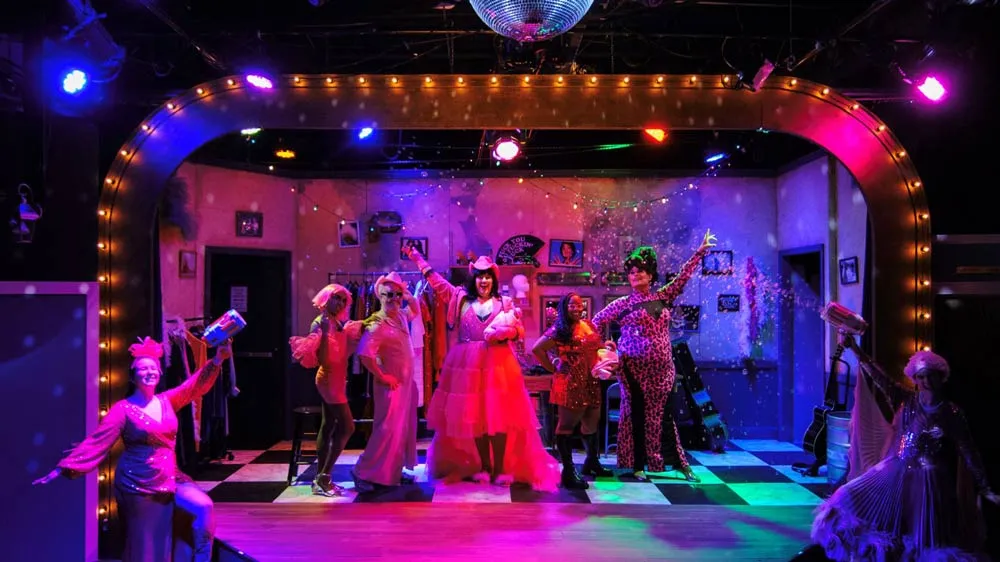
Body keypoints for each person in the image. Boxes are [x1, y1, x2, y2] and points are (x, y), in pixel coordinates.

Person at [33, 336, 231, 562]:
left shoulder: (167, 401)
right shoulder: (123, 409)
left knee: (203, 507)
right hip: (137, 483)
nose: (149, 372)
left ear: (160, 372)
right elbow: (98, 441)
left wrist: (218, 359)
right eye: (143, 368)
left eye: (153, 368)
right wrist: (62, 469)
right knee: (146, 547)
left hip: (170, 477)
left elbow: (193, 387)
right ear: (132, 376)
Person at [809, 335, 999, 561]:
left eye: (930, 375)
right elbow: (880, 377)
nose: (926, 381)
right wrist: (856, 350)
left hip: (929, 480)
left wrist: (985, 486)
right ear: (915, 379)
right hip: (896, 469)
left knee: (923, 536)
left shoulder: (952, 413)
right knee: (845, 496)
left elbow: (968, 450)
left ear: (940, 377)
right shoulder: (906, 400)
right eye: (921, 376)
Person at [405, 246, 559, 490]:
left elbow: (518, 331)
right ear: (473, 279)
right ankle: (484, 466)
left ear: (494, 279)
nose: (484, 281)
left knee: (500, 418)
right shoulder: (460, 299)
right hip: (467, 366)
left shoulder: (504, 302)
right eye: (479, 276)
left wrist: (507, 332)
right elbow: (438, 283)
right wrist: (417, 258)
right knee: (476, 418)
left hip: (498, 366)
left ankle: (500, 468)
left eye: (487, 276)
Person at [591, 230, 716, 482]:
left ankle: (677, 464)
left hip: (662, 371)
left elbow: (682, 277)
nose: (635, 275)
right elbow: (595, 322)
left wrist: (699, 253)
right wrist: (606, 346)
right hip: (633, 369)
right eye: (631, 272)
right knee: (636, 415)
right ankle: (637, 466)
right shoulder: (622, 303)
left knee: (665, 417)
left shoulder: (663, 296)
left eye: (641, 271)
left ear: (650, 275)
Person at [289, 284, 366, 496]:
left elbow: (342, 353)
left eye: (343, 300)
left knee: (328, 425)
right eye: (336, 298)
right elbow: (322, 359)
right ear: (326, 298)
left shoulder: (336, 321)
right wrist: (323, 333)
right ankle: (324, 476)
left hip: (338, 379)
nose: (340, 303)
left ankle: (321, 479)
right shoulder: (320, 322)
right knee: (348, 427)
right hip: (329, 380)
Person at [532, 292, 615, 489]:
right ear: (564, 307)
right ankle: (568, 472)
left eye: (579, 305)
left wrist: (606, 347)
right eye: (572, 305)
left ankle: (591, 462)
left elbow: (595, 347)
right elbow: (537, 349)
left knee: (591, 423)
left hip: (592, 381)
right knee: (566, 426)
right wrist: (553, 366)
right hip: (570, 383)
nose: (577, 308)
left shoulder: (589, 324)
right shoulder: (559, 329)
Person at [351, 272, 420, 491]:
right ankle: (362, 472)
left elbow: (415, 310)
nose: (395, 299)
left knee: (400, 429)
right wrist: (383, 376)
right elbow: (364, 355)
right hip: (390, 386)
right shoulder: (378, 324)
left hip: (404, 385)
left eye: (398, 295)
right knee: (386, 430)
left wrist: (408, 295)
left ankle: (392, 472)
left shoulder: (400, 316)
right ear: (380, 296)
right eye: (390, 294)